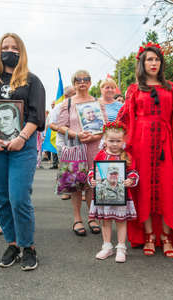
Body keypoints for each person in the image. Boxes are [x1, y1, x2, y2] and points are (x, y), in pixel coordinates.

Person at [117, 42, 173, 258]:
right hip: (140, 144)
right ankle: (149, 235)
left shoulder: (170, 87)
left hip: (165, 145)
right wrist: (122, 146)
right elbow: (125, 118)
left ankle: (166, 236)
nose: (153, 63)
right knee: (144, 190)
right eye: (149, 59)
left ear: (161, 63)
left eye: (157, 59)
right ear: (142, 62)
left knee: (168, 189)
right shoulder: (134, 89)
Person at [0, 33, 45, 270]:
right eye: (5, 47)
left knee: (19, 198)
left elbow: (36, 116)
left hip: (22, 147)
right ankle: (12, 243)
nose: (10, 51)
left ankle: (28, 246)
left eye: (14, 47)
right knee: (2, 198)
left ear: (22, 51)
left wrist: (22, 137)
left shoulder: (32, 81)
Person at [57, 70, 107, 236]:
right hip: (75, 148)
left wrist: (96, 135)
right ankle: (77, 219)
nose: (82, 82)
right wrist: (76, 134)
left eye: (86, 79)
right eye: (78, 80)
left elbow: (105, 126)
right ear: (74, 83)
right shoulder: (68, 103)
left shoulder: (97, 103)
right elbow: (60, 126)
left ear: (90, 82)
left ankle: (92, 217)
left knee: (92, 184)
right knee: (76, 185)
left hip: (94, 148)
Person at [88, 122, 138, 263]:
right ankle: (107, 246)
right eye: (111, 140)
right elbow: (93, 171)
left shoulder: (126, 156)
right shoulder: (101, 155)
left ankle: (121, 247)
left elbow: (133, 172)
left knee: (121, 221)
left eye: (118, 141)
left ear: (123, 140)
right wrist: (92, 179)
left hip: (121, 196)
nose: (114, 144)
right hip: (104, 196)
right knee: (105, 221)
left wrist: (130, 180)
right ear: (105, 139)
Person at [49, 86, 76, 200]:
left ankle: (82, 191)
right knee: (65, 166)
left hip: (79, 141)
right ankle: (66, 191)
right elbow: (51, 124)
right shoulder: (59, 107)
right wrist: (63, 129)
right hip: (63, 141)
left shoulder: (80, 105)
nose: (76, 96)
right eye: (73, 94)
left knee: (80, 166)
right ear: (66, 96)